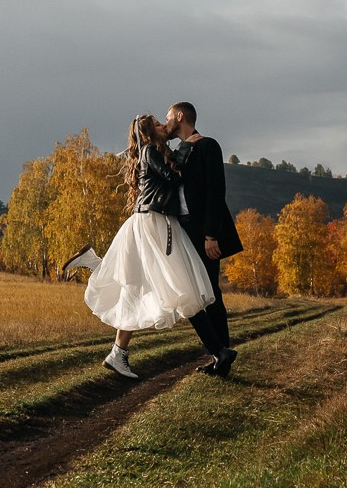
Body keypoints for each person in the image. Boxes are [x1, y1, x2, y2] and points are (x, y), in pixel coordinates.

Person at [70, 113, 216, 379]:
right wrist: (186, 146)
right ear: (149, 133)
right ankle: (217, 351)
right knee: (158, 285)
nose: (164, 126)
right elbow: (174, 177)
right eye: (159, 125)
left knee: (134, 285)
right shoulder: (151, 151)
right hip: (152, 222)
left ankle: (118, 352)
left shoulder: (152, 152)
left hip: (148, 220)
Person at [165, 101, 244, 377]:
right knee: (193, 293)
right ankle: (220, 354)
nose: (166, 124)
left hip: (203, 232)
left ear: (180, 115)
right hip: (183, 230)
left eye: (168, 118)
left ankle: (222, 355)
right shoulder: (178, 151)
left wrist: (211, 235)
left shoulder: (209, 146)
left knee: (210, 293)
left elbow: (215, 192)